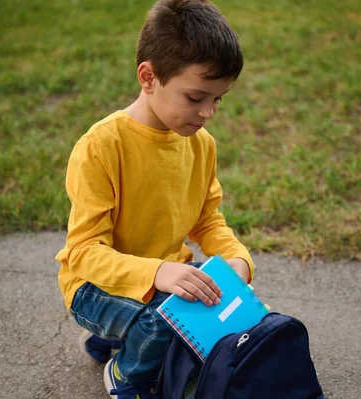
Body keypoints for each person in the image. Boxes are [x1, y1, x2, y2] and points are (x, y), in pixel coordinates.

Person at [55, 1, 254, 397]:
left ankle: (112, 340)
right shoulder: (101, 146)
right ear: (149, 76)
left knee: (216, 308)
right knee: (169, 319)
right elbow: (83, 252)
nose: (209, 112)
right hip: (92, 287)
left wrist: (236, 260)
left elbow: (207, 220)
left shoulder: (200, 145)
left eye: (218, 99)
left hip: (159, 278)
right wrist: (157, 273)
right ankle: (126, 376)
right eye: (196, 97)